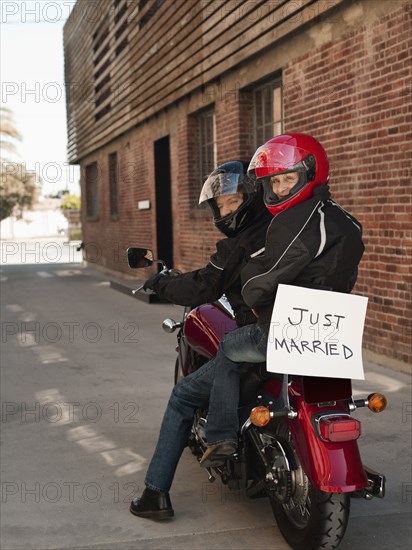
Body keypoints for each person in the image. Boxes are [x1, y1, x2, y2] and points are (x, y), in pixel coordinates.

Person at [199, 133, 365, 466]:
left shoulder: (293, 221)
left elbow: (260, 281)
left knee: (230, 345)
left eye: (288, 178)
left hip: (288, 327)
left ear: (310, 172)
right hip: (333, 328)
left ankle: (220, 436)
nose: (279, 189)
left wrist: (250, 291)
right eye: (274, 182)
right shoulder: (347, 220)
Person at [129, 160, 272, 519]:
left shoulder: (241, 243)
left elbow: (204, 285)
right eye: (220, 205)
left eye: (232, 202)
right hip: (297, 334)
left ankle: (154, 494)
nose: (225, 211)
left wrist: (159, 282)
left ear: (251, 196)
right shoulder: (283, 229)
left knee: (181, 397)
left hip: (261, 338)